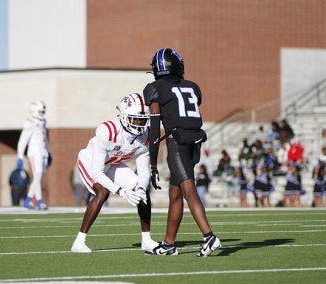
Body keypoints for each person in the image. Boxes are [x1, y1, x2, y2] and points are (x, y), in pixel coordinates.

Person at [143, 48, 221, 257]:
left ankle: (209, 236)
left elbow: (154, 127)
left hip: (176, 142)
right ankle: (169, 244)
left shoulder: (154, 88)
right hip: (195, 141)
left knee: (187, 189)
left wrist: (152, 164)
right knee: (175, 193)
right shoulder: (193, 87)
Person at [70, 93, 159, 253]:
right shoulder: (108, 131)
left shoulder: (146, 135)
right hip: (89, 162)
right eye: (135, 119)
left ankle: (146, 240)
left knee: (142, 191)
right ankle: (79, 241)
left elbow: (144, 172)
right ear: (124, 117)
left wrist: (139, 188)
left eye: (143, 120)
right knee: (102, 193)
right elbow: (97, 173)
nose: (140, 124)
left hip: (112, 163)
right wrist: (120, 191)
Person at [17, 100, 52, 210]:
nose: (42, 113)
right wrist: (20, 156)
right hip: (34, 152)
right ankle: (39, 201)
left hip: (43, 152)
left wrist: (49, 152)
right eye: (40, 111)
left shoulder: (43, 121)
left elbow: (45, 139)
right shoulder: (29, 122)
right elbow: (23, 140)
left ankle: (28, 200)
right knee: (38, 175)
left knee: (39, 177)